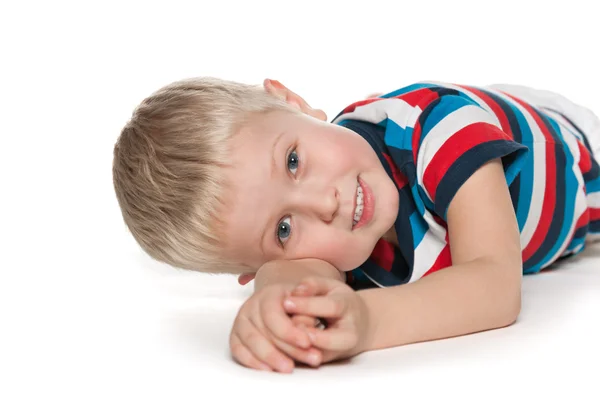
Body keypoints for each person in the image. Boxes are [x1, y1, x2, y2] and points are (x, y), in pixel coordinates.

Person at [112, 76, 600, 373]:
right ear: (255, 267)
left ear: (295, 102)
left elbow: (495, 285)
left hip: (580, 158)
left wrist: (367, 322)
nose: (324, 203)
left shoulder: (437, 128)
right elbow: (297, 277)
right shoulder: (336, 243)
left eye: (294, 161)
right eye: (283, 229)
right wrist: (278, 307)